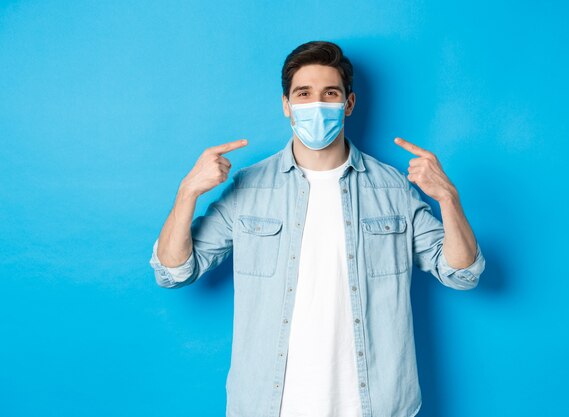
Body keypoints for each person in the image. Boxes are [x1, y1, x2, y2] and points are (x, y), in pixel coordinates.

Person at [149, 40, 486, 417]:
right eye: (303, 94)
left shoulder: (392, 189)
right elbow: (173, 271)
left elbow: (461, 273)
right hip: (269, 405)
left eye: (330, 93)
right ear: (286, 105)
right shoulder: (249, 189)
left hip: (374, 404)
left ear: (349, 103)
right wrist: (187, 192)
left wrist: (448, 199)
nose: (316, 105)